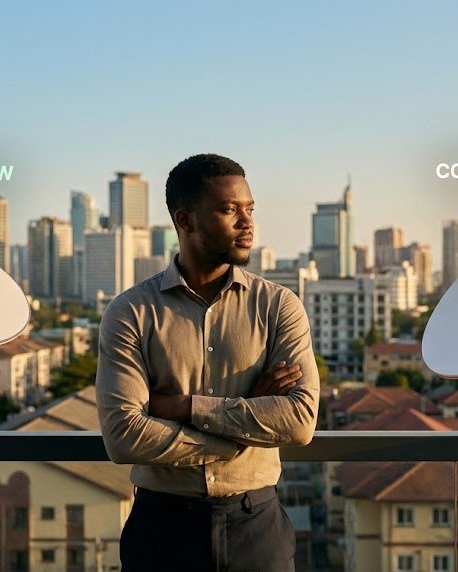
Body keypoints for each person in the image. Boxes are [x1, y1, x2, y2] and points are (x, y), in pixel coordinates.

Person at [96, 153, 320, 571]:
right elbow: (124, 437)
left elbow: (299, 421)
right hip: (162, 529)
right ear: (185, 220)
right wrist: (239, 434)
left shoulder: (278, 306)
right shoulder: (131, 312)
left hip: (256, 526)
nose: (247, 223)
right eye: (229, 210)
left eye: (250, 209)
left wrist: (186, 407)